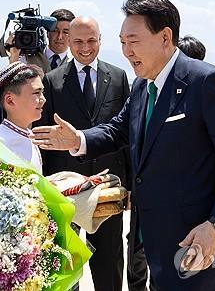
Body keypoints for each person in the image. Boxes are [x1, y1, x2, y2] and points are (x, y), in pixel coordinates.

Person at [32, 0, 215, 290]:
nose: (127, 52)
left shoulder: (207, 83)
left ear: (165, 37)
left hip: (205, 248)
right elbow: (119, 129)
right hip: (161, 246)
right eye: (122, 42)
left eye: (134, 41)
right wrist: (78, 139)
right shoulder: (143, 85)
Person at [33, 15, 130, 291]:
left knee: (109, 261)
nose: (85, 47)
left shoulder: (119, 77)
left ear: (100, 40)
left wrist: (130, 184)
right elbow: (44, 138)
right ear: (68, 42)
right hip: (66, 190)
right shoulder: (52, 81)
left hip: (108, 188)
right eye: (78, 41)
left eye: (91, 40)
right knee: (65, 263)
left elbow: (127, 136)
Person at [0, 62, 46, 174]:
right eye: (36, 93)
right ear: (10, 100)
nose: (43, 99)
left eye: (42, 92)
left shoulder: (27, 134)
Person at [6, 9, 75, 72]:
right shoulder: (27, 59)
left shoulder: (76, 62)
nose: (59, 37)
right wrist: (14, 57)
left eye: (66, 32)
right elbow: (13, 83)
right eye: (54, 31)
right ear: (47, 32)